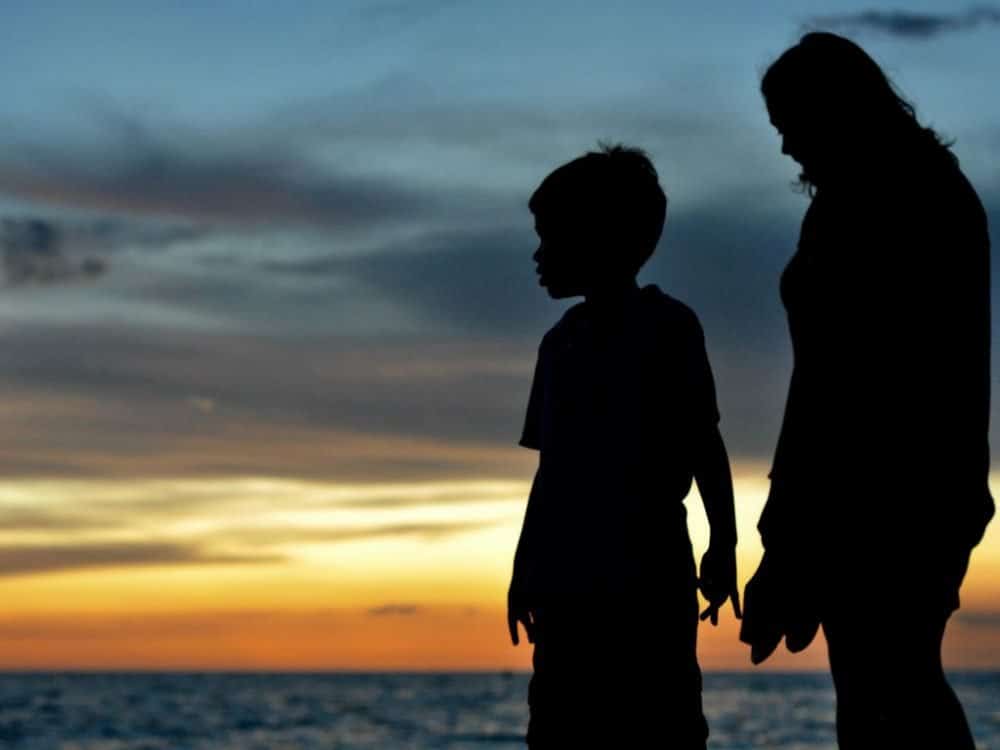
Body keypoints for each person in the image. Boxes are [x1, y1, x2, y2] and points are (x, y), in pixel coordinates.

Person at [739, 32, 994, 749]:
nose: (787, 147)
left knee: (893, 683)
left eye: (791, 125)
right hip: (872, 490)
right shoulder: (856, 203)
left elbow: (849, 379)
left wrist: (788, 531)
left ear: (836, 110)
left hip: (897, 491)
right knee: (874, 689)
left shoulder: (906, 199)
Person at [507, 143, 740, 748]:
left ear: (597, 238)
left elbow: (703, 444)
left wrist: (725, 541)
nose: (537, 253)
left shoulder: (670, 329)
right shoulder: (559, 345)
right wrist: (523, 566)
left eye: (549, 235)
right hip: (567, 581)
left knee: (662, 721)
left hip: (649, 575)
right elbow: (550, 473)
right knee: (561, 723)